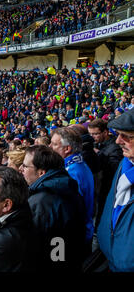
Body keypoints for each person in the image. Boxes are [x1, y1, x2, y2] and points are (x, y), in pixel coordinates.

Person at [19, 145, 87, 271]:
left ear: (41, 172)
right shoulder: (67, 188)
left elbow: (32, 244)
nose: (21, 169)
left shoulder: (41, 202)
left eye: (25, 166)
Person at [97, 109, 134, 271]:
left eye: (128, 136)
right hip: (111, 258)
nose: (118, 141)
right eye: (118, 134)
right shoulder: (125, 163)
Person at [50, 128, 94, 248]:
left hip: (75, 237)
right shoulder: (77, 164)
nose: (50, 147)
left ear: (67, 149)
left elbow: (71, 211)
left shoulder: (71, 173)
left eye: (54, 144)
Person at [88, 118, 124, 226]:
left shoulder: (115, 148)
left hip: (107, 191)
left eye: (95, 134)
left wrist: (99, 155)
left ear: (105, 132)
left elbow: (114, 171)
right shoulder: (97, 144)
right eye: (90, 134)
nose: (92, 137)